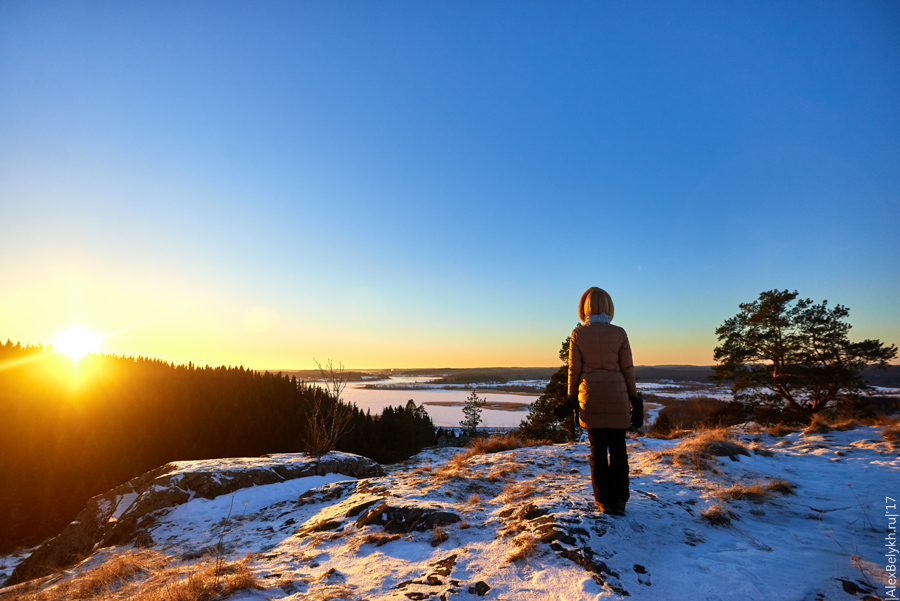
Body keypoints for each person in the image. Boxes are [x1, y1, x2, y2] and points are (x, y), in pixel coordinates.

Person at [558, 287, 642, 516]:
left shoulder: (578, 334)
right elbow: (628, 369)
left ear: (583, 308)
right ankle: (620, 500)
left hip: (590, 399)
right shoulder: (620, 333)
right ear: (608, 306)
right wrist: (635, 399)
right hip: (618, 398)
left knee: (597, 451)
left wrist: (571, 398)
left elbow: (574, 371)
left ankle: (603, 500)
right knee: (618, 451)